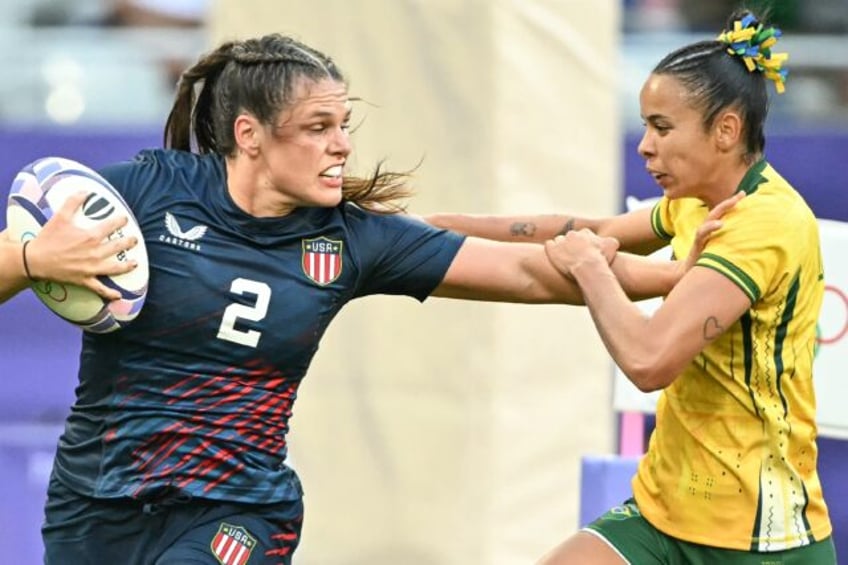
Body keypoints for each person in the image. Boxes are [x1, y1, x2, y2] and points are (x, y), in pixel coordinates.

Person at [0, 33, 734, 565]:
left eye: (343, 125)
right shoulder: (147, 193)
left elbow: (533, 273)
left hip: (238, 511)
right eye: (319, 127)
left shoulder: (353, 240)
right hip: (94, 501)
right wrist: (35, 257)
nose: (342, 146)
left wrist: (690, 276)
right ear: (249, 135)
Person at [431, 9, 836, 564]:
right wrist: (430, 229)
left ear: (726, 130)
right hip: (660, 511)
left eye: (662, 128)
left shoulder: (764, 224)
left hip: (758, 541)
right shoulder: (694, 200)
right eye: (645, 126)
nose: (645, 146)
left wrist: (592, 269)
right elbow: (584, 232)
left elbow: (649, 361)